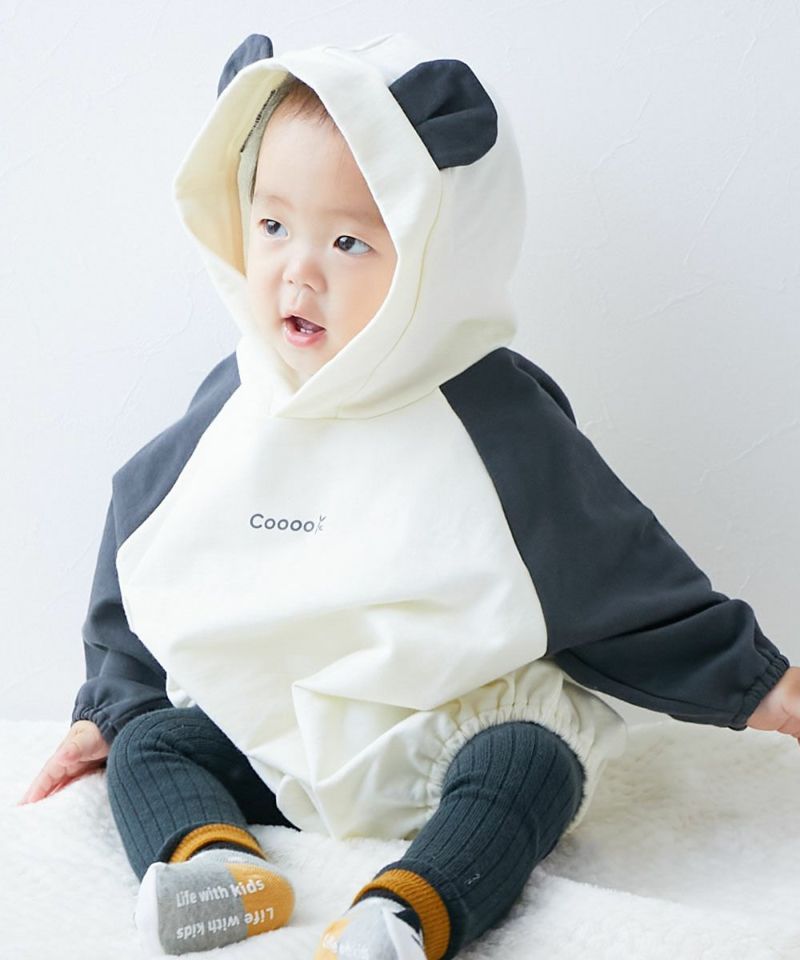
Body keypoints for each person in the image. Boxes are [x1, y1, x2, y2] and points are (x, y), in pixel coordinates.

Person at [19, 31, 800, 960]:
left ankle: (406, 910)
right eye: (273, 227)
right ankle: (219, 866)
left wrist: (762, 686)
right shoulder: (238, 402)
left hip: (447, 728)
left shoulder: (489, 414)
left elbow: (614, 570)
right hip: (277, 740)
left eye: (348, 241)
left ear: (440, 251)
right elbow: (145, 553)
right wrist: (108, 706)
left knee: (531, 758)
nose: (298, 271)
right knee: (152, 744)